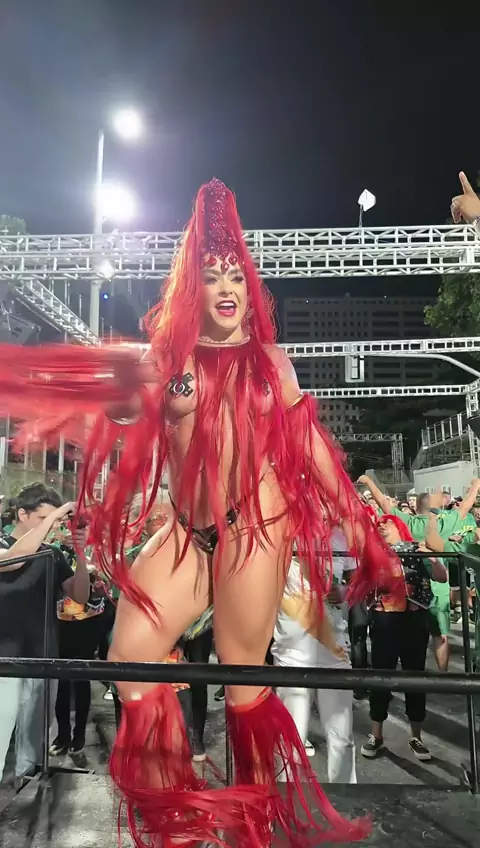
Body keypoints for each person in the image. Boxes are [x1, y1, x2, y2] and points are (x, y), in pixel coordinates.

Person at [0, 179, 400, 845]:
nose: (225, 285)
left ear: (250, 288)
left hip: (254, 527)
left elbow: (311, 450)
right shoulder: (168, 357)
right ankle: (179, 813)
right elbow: (122, 407)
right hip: (187, 530)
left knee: (242, 680)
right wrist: (101, 391)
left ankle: (253, 824)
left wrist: (360, 524)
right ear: (194, 285)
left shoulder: (272, 362)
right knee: (131, 654)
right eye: (211, 274)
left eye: (235, 275)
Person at [0, 483, 89, 786]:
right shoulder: (4, 544)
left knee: (33, 749)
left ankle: (25, 799)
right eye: (42, 519)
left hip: (43, 658)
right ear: (22, 514)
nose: (50, 527)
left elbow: (79, 595)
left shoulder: (53, 554)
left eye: (53, 521)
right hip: (4, 660)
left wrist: (81, 555)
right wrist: (56, 516)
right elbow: (14, 560)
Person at [272, 528, 357, 783]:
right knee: (290, 739)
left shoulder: (341, 536)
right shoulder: (279, 534)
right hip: (290, 653)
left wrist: (345, 592)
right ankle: (287, 801)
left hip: (334, 653)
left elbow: (356, 579)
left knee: (341, 738)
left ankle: (345, 800)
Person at [361, 514, 447, 761]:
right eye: (378, 524)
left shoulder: (416, 550)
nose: (381, 526)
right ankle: (376, 734)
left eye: (386, 522)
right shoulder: (372, 552)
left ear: (399, 526)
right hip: (383, 619)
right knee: (381, 676)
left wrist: (433, 557)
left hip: (413, 620)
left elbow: (442, 577)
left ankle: (416, 737)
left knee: (414, 676)